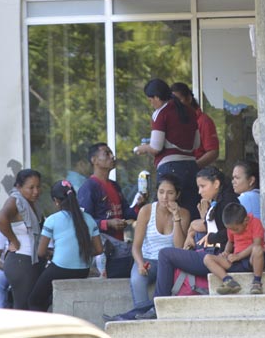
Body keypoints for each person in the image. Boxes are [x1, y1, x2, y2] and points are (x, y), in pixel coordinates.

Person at [135, 166, 239, 319]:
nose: (199, 191)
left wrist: (208, 235)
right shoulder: (218, 201)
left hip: (215, 257)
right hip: (208, 253)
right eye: (198, 187)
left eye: (203, 186)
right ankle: (154, 306)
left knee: (165, 254)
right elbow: (210, 226)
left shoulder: (228, 202)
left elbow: (231, 231)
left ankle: (158, 307)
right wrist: (195, 228)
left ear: (216, 184)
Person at [104, 174, 191, 321]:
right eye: (161, 192)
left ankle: (133, 317)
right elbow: (136, 246)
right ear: (156, 192)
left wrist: (176, 216)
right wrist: (139, 264)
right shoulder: (146, 210)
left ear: (177, 194)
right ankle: (145, 316)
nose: (165, 197)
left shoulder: (184, 213)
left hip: (169, 263)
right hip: (147, 260)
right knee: (137, 279)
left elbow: (179, 247)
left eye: (170, 193)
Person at [28, 180, 103, 312]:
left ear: (56, 201)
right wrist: (79, 252)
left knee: (34, 300)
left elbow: (40, 252)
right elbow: (99, 249)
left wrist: (53, 254)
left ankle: (44, 330)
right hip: (83, 270)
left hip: (60, 268)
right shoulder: (89, 218)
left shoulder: (52, 219)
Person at [135, 79, 201, 220]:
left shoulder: (161, 113)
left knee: (167, 214)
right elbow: (196, 143)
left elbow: (156, 148)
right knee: (191, 213)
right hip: (191, 167)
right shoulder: (189, 111)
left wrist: (143, 148)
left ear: (157, 97)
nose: (151, 103)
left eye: (150, 99)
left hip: (170, 167)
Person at [78, 142, 140, 278]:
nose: (112, 156)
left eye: (112, 153)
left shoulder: (114, 186)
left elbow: (126, 212)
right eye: (107, 153)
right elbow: (83, 221)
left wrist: (140, 205)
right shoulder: (89, 187)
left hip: (119, 249)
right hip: (102, 252)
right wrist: (108, 223)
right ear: (94, 160)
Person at [0, 169, 45, 310]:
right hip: (21, 262)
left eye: (38, 186)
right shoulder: (15, 200)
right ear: (19, 187)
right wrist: (13, 240)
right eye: (31, 188)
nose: (36, 191)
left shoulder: (31, 203)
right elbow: (0, 219)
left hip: (33, 261)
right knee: (23, 308)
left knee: (35, 306)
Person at [203, 202, 265, 295]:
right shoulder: (232, 227)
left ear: (246, 220)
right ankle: (228, 281)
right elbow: (230, 241)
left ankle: (257, 282)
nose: (232, 232)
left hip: (251, 260)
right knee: (207, 258)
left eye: (235, 229)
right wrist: (226, 252)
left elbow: (256, 244)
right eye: (230, 229)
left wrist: (239, 256)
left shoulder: (255, 222)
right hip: (236, 261)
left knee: (258, 249)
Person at [171, 82, 220, 169]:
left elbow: (213, 152)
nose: (177, 105)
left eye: (179, 100)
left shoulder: (204, 121)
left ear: (189, 98)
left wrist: (193, 167)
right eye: (174, 102)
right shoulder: (176, 121)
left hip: (197, 174)